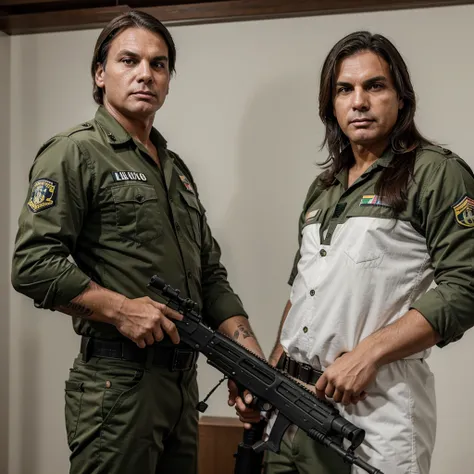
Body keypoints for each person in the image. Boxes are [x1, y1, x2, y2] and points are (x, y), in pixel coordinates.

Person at [11, 10, 263, 474]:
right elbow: (33, 265)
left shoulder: (176, 170)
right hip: (117, 386)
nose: (146, 73)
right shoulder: (75, 152)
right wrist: (120, 309)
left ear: (168, 80)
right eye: (129, 60)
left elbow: (209, 274)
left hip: (182, 386)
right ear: (100, 74)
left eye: (159, 64)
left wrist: (247, 355)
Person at [242, 31, 474, 474]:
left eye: (375, 86)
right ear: (331, 105)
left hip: (375, 414)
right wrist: (269, 378)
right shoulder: (324, 188)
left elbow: (466, 285)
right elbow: (302, 295)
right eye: (344, 89)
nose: (359, 101)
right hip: (290, 411)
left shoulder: (435, 173)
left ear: (401, 98)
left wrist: (367, 354)